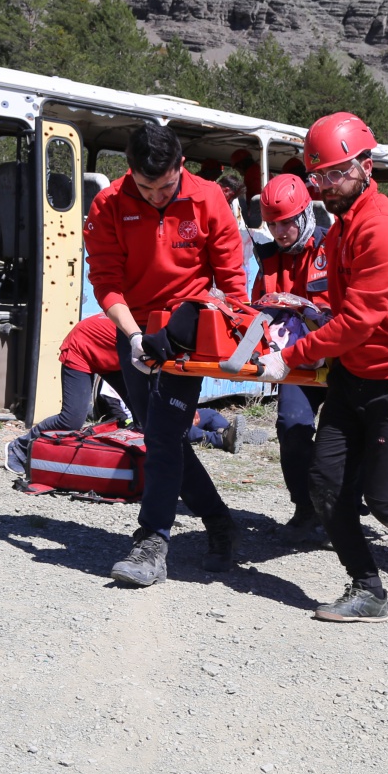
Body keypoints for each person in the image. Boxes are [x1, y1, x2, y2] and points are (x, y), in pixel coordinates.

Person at [259, 112, 388, 621]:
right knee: (326, 486)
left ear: (365, 166)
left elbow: (356, 322)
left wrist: (289, 358)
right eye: (318, 176)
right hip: (354, 374)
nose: (325, 185)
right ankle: (367, 589)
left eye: (336, 173)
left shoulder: (385, 229)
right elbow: (336, 306)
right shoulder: (341, 229)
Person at [86, 122, 248, 587]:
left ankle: (152, 542)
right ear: (129, 174)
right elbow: (107, 281)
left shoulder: (208, 199)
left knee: (161, 435)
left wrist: (230, 333)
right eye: (145, 187)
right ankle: (220, 524)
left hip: (187, 336)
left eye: (165, 187)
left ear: (182, 166)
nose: (156, 197)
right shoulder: (109, 204)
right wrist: (134, 335)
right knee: (164, 436)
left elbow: (232, 282)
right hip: (134, 331)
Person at [252, 173, 330, 545]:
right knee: (292, 427)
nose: (280, 231)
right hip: (298, 363)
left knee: (345, 440)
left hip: (343, 360)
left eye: (287, 222)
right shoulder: (268, 258)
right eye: (272, 224)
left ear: (306, 214)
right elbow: (255, 308)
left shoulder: (337, 246)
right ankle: (306, 508)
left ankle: (340, 505)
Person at [3, 313, 130, 481]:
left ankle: (141, 464)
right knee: (71, 419)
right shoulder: (152, 327)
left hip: (113, 355)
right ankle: (20, 447)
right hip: (83, 347)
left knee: (143, 412)